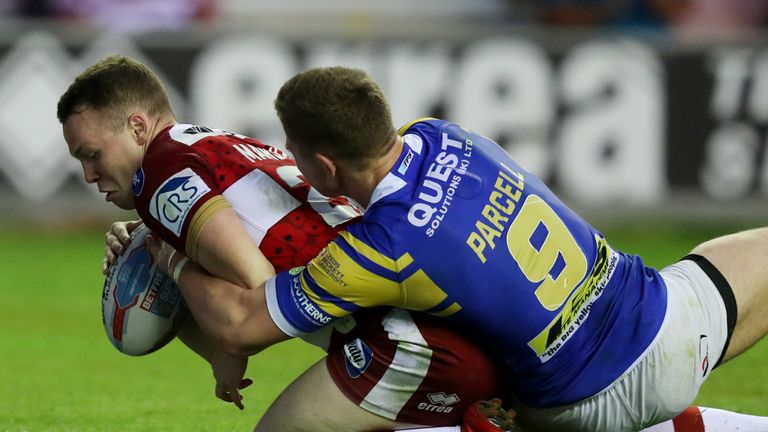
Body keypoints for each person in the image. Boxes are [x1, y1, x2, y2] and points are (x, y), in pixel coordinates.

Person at [145, 65, 768, 432]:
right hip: (664, 314)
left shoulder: (379, 249)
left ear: (324, 164)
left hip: (591, 394)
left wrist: (165, 251)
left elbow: (245, 326)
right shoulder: (446, 136)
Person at [57, 55, 506, 431]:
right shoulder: (216, 144)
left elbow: (255, 284)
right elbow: (243, 271)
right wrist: (162, 243)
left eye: (92, 154)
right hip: (437, 329)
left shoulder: (158, 174)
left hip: (400, 342)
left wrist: (167, 255)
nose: (89, 175)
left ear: (138, 127)